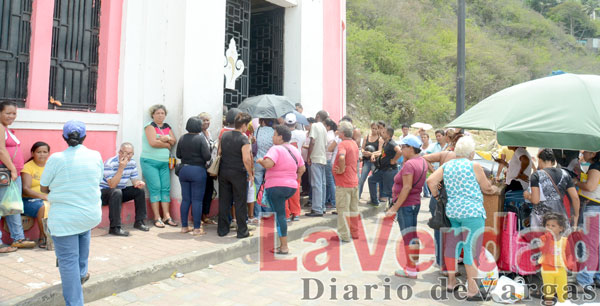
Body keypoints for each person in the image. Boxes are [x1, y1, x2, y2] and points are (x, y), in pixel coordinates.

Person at [426, 136, 500, 301]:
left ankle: (451, 282)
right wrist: (494, 187)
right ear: (472, 153)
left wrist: (438, 197)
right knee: (470, 250)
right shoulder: (474, 165)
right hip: (472, 213)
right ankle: (473, 290)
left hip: (453, 211)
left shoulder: (447, 166)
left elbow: (431, 181)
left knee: (452, 245)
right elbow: (487, 188)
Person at [40, 120, 104, 306]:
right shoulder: (95, 155)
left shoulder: (56, 158)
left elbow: (44, 187)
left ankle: (75, 302)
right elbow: (97, 179)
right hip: (89, 214)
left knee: (68, 261)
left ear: (64, 138)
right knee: (82, 244)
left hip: (65, 219)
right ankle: (82, 274)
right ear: (84, 137)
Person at [257, 125, 305, 254]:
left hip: (276, 186)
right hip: (291, 187)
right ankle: (281, 242)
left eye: (274, 134)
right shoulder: (295, 150)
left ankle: (284, 246)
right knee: (281, 213)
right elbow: (302, 168)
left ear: (280, 137)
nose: (272, 137)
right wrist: (295, 179)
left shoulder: (276, 149)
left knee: (280, 216)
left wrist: (261, 160)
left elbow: (268, 164)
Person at [385, 135, 427, 279]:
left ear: (410, 148)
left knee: (409, 238)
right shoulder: (421, 161)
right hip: (414, 203)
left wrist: (394, 208)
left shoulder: (410, 164)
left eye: (403, 147)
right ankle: (412, 266)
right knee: (412, 236)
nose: (401, 150)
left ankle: (411, 269)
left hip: (406, 204)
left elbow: (406, 187)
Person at [0, 101, 35, 252]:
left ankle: (18, 238)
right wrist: (13, 169)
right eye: (8, 113)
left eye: (14, 113)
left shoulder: (6, 129)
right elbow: (1, 150)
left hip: (12, 174)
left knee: (12, 206)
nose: (11, 116)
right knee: (2, 205)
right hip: (5, 173)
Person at [100, 143, 149, 236]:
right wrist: (121, 168)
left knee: (139, 191)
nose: (127, 156)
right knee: (116, 191)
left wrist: (139, 183)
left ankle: (139, 222)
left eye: (130, 154)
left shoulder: (132, 162)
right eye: (125, 153)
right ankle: (115, 228)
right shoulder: (109, 163)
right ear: (119, 152)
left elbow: (134, 180)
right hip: (104, 193)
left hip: (118, 192)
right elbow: (112, 185)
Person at [140, 104, 177, 228]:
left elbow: (174, 140)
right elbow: (153, 143)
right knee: (155, 188)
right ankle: (157, 217)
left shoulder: (167, 127)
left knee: (165, 188)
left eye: (162, 113)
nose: (160, 115)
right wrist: (166, 143)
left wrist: (166, 139)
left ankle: (167, 216)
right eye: (158, 113)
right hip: (150, 162)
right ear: (153, 115)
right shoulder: (150, 127)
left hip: (164, 163)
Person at [523, 149, 579, 228]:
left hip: (541, 220)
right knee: (560, 240)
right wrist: (576, 216)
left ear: (540, 160)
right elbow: (575, 198)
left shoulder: (536, 175)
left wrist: (528, 196)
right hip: (559, 219)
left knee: (541, 240)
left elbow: (535, 200)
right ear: (553, 162)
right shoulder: (565, 174)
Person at [217, 112, 253, 238]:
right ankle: (242, 231)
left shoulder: (225, 135)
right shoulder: (244, 138)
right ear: (243, 125)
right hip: (238, 172)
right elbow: (246, 159)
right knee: (240, 202)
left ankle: (222, 230)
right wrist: (250, 173)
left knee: (224, 201)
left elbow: (219, 152)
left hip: (224, 171)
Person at [176, 116, 212, 235]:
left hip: (184, 170)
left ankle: (184, 227)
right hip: (198, 171)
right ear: (199, 126)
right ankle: (197, 228)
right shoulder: (201, 138)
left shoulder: (182, 138)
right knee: (197, 200)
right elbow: (207, 156)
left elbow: (178, 155)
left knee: (186, 199)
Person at [329, 121, 360, 242]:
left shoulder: (343, 144)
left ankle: (344, 235)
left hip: (344, 183)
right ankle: (354, 232)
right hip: (353, 181)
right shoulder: (354, 143)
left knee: (342, 210)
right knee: (353, 209)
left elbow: (341, 157)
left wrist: (341, 169)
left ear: (342, 133)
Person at [575, 150, 600, 291]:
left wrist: (576, 182)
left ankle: (585, 281)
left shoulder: (596, 167)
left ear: (594, 153)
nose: (583, 153)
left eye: (586, 151)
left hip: (594, 209)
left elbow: (590, 187)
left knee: (590, 247)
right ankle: (597, 277)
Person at [538, 213, 573, 306]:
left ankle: (563, 303)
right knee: (548, 291)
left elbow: (569, 254)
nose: (549, 228)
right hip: (547, 269)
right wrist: (548, 240)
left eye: (553, 226)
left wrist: (570, 262)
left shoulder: (565, 240)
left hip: (561, 269)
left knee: (562, 290)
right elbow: (543, 250)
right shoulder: (543, 239)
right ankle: (548, 303)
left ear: (560, 228)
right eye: (547, 225)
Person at [21, 142, 50, 248]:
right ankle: (43, 236)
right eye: (39, 152)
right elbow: (25, 189)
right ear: (32, 153)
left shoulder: (50, 166)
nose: (42, 154)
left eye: (45, 152)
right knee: (43, 207)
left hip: (48, 198)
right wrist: (43, 197)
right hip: (29, 200)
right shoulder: (28, 167)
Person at [368, 127, 401, 206]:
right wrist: (373, 154)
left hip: (390, 171)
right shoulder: (385, 143)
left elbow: (399, 151)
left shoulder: (391, 143)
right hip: (382, 170)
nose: (381, 133)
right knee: (371, 180)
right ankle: (374, 201)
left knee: (390, 192)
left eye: (383, 132)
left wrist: (394, 160)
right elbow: (382, 153)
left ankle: (393, 211)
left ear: (388, 135)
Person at [306, 110, 329, 217]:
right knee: (322, 184)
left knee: (316, 184)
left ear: (318, 116)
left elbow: (313, 141)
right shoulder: (324, 128)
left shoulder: (315, 125)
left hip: (315, 157)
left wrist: (308, 156)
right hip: (323, 157)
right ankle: (322, 206)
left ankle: (317, 209)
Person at [284, 113, 305, 221]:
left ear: (285, 123)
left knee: (284, 188)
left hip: (285, 163)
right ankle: (296, 213)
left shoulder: (282, 134)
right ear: (296, 123)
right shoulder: (302, 134)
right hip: (298, 162)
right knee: (295, 188)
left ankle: (287, 214)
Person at [198, 112, 217, 225]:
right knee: (201, 192)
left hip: (210, 168)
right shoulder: (198, 134)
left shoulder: (208, 133)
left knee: (209, 191)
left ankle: (205, 215)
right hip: (201, 166)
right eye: (204, 120)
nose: (206, 122)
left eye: (208, 120)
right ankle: (199, 216)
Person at [254, 118, 275, 217]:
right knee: (269, 186)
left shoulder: (257, 130)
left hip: (258, 161)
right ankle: (268, 211)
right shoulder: (274, 132)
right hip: (269, 161)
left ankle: (257, 213)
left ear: (262, 122)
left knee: (257, 187)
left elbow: (253, 144)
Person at [358, 122, 383, 200]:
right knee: (362, 179)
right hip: (366, 161)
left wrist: (371, 154)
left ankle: (374, 198)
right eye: (373, 128)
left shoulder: (380, 139)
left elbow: (380, 151)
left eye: (376, 129)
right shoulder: (366, 137)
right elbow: (362, 148)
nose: (374, 130)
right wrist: (363, 152)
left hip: (374, 162)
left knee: (374, 180)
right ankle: (357, 197)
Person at [324, 118, 337, 211]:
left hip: (328, 159)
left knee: (330, 182)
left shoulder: (329, 135)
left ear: (328, 126)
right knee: (330, 182)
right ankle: (330, 200)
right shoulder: (332, 135)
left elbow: (328, 148)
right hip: (329, 159)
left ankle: (333, 201)